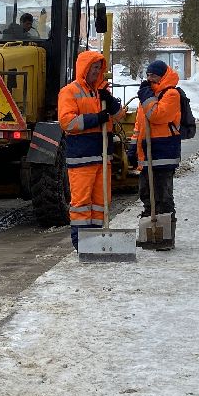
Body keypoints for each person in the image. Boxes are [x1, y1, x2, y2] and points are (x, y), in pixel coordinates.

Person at [57, 49, 121, 248]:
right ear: (84, 68)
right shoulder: (70, 91)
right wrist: (96, 119)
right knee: (82, 204)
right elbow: (67, 122)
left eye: (98, 68)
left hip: (102, 157)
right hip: (82, 158)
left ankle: (98, 241)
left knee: (101, 204)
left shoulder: (102, 93)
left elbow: (118, 116)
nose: (96, 71)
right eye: (93, 67)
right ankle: (81, 244)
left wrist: (111, 103)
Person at [134, 59, 182, 245]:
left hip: (164, 152)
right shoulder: (148, 97)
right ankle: (149, 233)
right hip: (147, 153)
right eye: (148, 75)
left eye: (154, 75)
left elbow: (157, 115)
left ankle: (164, 236)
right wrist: (133, 147)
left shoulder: (171, 94)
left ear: (162, 76)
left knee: (162, 195)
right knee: (146, 193)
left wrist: (147, 97)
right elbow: (140, 125)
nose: (150, 78)